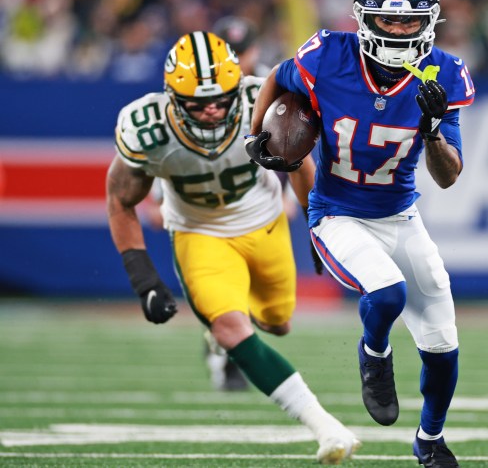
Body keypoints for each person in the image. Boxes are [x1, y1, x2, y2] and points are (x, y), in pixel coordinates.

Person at [245, 0, 475, 466]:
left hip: (400, 213)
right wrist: (256, 136)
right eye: (386, 20)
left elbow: (448, 175)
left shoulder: (442, 72)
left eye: (408, 22)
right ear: (363, 18)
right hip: (337, 212)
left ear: (429, 21)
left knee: (443, 339)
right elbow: (276, 77)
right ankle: (374, 354)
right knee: (387, 292)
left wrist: (432, 129)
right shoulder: (329, 53)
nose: (396, 29)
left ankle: (430, 439)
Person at [106, 31, 360, 464]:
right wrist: (142, 275)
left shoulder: (260, 100)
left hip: (263, 223)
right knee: (230, 328)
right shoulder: (147, 128)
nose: (211, 109)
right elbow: (120, 200)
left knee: (278, 323)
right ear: (171, 98)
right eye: (197, 102)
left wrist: (320, 224)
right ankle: (325, 426)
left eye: (219, 98)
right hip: (198, 233)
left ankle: (225, 316)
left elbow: (298, 163)